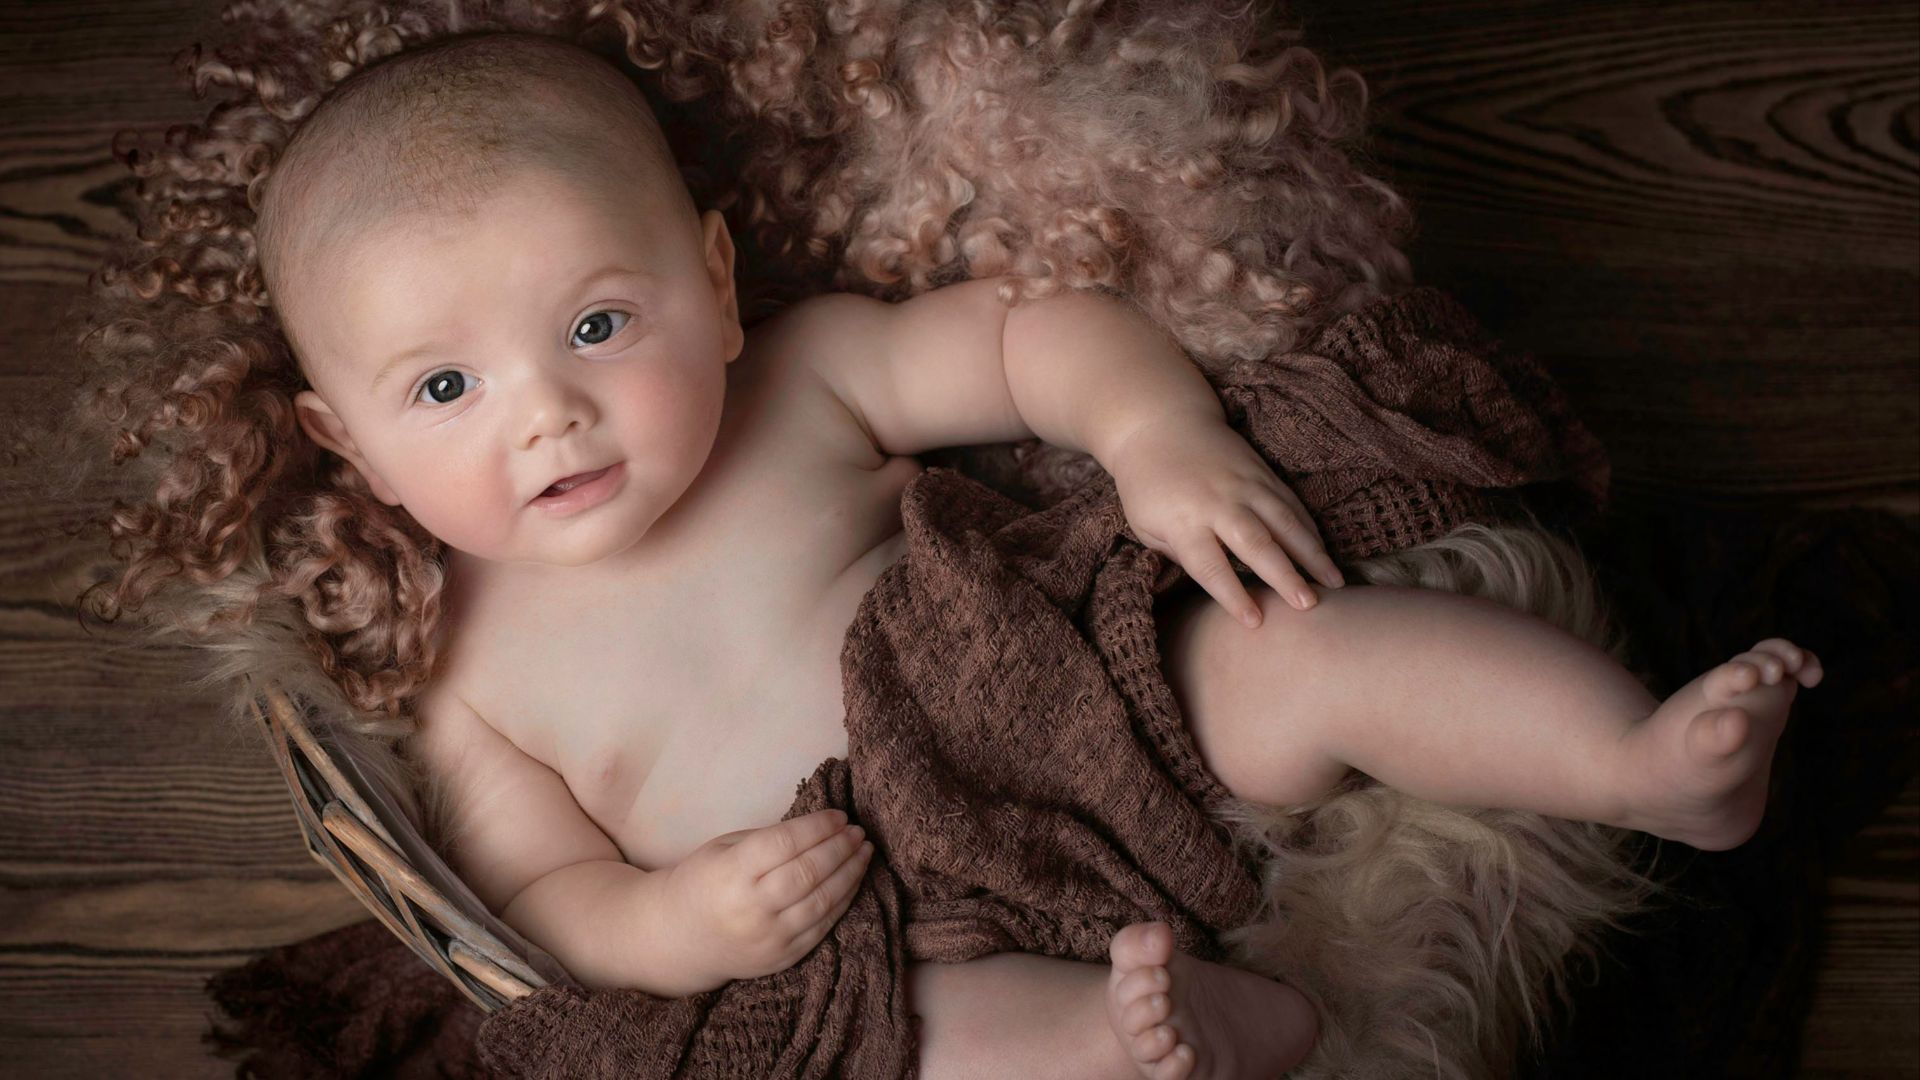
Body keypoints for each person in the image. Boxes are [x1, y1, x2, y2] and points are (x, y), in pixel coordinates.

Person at [180, 28, 1818, 1080]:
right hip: (873, 923)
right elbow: (545, 899)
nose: (548, 417)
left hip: (1076, 709)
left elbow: (1032, 337)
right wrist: (679, 926)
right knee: (909, 1047)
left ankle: (1636, 764)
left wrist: (1154, 437)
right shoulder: (458, 670)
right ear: (349, 444)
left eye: (600, 325)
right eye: (445, 391)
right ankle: (1183, 1033)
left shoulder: (802, 378)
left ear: (716, 284)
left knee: (1302, 644)